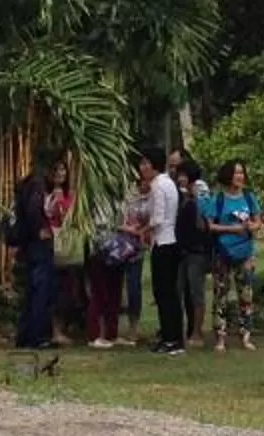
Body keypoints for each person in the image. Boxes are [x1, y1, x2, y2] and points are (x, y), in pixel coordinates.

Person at [207, 158, 262, 352]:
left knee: (246, 295)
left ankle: (245, 335)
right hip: (223, 253)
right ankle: (220, 337)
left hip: (245, 252)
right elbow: (210, 225)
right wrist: (231, 229)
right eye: (236, 172)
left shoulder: (248, 197)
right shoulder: (218, 199)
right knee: (221, 294)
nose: (240, 176)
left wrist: (250, 227)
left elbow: (257, 222)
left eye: (242, 173)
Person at [11, 152, 61, 352]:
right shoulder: (37, 185)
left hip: (27, 245)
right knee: (41, 290)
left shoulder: (26, 183)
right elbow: (33, 210)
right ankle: (37, 335)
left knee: (32, 291)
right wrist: (41, 228)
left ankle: (26, 334)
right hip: (38, 245)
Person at [138, 147, 185, 356]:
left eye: (145, 163)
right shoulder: (169, 183)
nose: (142, 168)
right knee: (170, 293)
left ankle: (170, 338)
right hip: (171, 241)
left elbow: (157, 219)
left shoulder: (158, 186)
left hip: (164, 243)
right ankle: (173, 337)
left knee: (164, 292)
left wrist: (142, 230)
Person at [80, 170, 128, 349]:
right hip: (99, 251)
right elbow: (100, 226)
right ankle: (94, 336)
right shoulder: (97, 202)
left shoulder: (120, 201)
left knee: (115, 294)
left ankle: (111, 334)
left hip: (117, 252)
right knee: (99, 293)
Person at [173, 151, 214, 345]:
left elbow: (202, 223)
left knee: (196, 292)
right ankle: (178, 330)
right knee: (178, 290)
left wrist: (195, 200)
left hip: (197, 251)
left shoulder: (199, 190)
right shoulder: (178, 194)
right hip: (181, 250)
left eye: (183, 174)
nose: (180, 178)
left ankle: (197, 331)